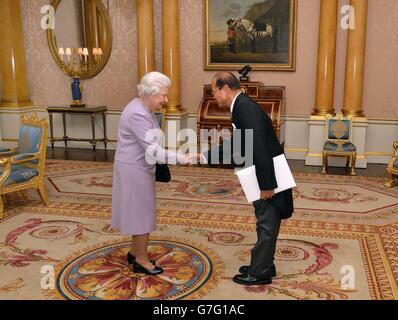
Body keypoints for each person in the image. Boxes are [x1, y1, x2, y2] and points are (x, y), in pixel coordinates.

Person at [208, 71, 294, 285]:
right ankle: (264, 263)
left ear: (225, 89)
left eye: (214, 91)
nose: (214, 96)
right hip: (262, 171)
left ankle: (260, 272)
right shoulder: (241, 106)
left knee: (267, 221)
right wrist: (204, 155)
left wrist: (267, 185)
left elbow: (259, 147)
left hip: (267, 175)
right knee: (266, 220)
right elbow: (240, 144)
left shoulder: (244, 108)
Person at [112, 71, 192, 276]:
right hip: (134, 169)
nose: (165, 100)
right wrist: (181, 158)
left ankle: (133, 252)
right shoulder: (138, 113)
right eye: (163, 95)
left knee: (140, 211)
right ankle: (140, 259)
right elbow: (152, 150)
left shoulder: (142, 107)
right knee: (141, 214)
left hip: (137, 166)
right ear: (149, 93)